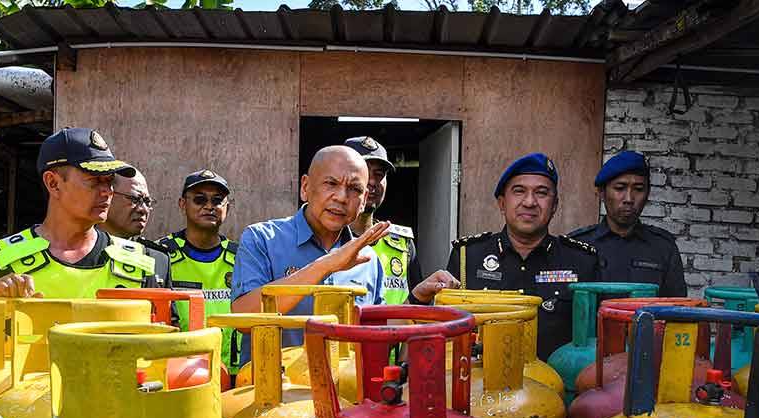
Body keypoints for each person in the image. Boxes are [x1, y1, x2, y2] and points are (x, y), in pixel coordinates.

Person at [0, 127, 170, 297]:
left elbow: (167, 340)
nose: (107, 191)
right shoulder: (2, 260)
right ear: (53, 183)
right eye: (94, 181)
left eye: (109, 181)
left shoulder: (143, 263)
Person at [231, 145, 388, 358]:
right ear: (305, 187)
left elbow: (376, 332)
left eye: (354, 189)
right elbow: (243, 319)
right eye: (331, 183)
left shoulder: (368, 260)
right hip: (273, 387)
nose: (342, 197)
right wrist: (326, 265)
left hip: (344, 389)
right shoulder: (262, 239)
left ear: (363, 200)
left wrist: (419, 299)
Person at [446, 152, 599, 361]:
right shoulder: (467, 256)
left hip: (557, 388)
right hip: (484, 387)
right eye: (519, 191)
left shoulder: (582, 261)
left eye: (542, 193)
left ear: (554, 205)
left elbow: (594, 340)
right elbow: (448, 330)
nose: (529, 202)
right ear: (502, 203)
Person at [343, 136, 458, 304]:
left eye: (380, 174)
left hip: (396, 329)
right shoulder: (326, 239)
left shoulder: (401, 244)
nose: (373, 181)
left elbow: (415, 306)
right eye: (365, 173)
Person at [156, 169, 242, 378]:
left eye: (217, 200)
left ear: (227, 208)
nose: (209, 206)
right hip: (181, 372)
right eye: (200, 200)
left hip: (235, 374)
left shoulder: (242, 257)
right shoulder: (162, 255)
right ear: (182, 205)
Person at [569, 150, 687, 297]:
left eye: (638, 189)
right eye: (620, 188)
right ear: (601, 193)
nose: (629, 198)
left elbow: (675, 308)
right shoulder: (576, 246)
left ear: (647, 194)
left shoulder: (663, 248)